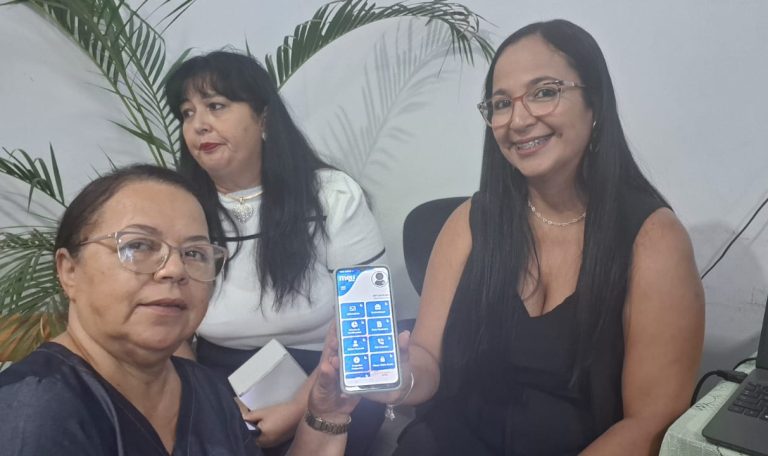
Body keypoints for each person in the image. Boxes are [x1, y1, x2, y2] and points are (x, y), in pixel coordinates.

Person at [385, 19, 705, 455]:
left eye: (543, 92)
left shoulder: (654, 241)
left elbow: (650, 422)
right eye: (501, 103)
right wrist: (401, 379)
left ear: (594, 103)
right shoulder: (470, 222)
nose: (518, 120)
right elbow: (427, 357)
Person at [0, 165, 360, 456]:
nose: (174, 269)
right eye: (139, 245)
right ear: (69, 271)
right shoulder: (35, 409)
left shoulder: (207, 389)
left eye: (194, 253)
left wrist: (326, 413)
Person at [164, 51, 387, 454]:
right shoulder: (179, 208)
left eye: (216, 106)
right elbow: (170, 323)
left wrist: (299, 407)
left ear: (263, 119)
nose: (198, 125)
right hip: (214, 380)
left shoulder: (331, 195)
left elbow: (364, 323)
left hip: (332, 376)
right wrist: (207, 402)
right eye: (187, 113)